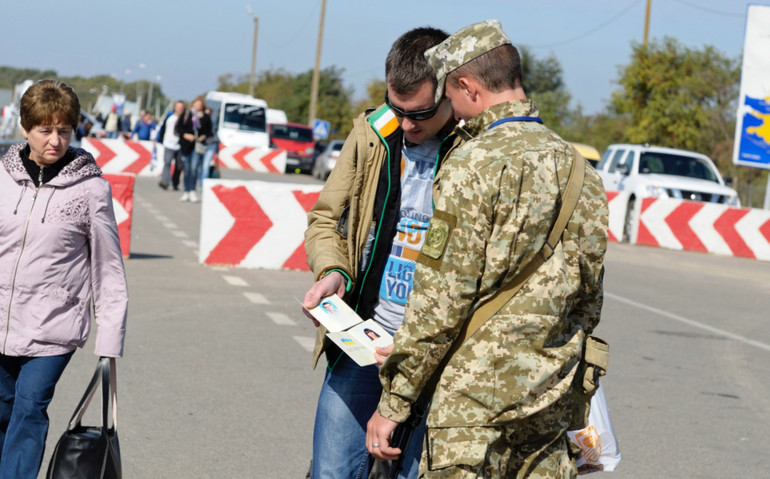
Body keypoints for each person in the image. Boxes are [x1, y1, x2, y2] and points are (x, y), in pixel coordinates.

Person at [366, 20, 609, 477]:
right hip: (548, 405)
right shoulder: (581, 171)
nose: (453, 111)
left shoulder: (472, 164)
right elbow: (588, 301)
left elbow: (440, 300)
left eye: (451, 96)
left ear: (468, 86)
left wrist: (394, 403)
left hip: (472, 410)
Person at [302, 27, 462, 479]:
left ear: (451, 90)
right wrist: (332, 272)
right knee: (332, 472)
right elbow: (325, 218)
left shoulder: (476, 153)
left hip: (433, 359)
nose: (407, 125)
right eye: (398, 109)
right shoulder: (374, 133)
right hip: (361, 343)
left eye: (422, 114)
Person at [0, 80, 128, 479]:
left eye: (64, 130)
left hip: (55, 324)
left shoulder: (91, 189)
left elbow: (108, 267)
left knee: (30, 407)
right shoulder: (2, 179)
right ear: (25, 128)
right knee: (2, 411)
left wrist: (109, 340)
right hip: (1, 317)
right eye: (45, 130)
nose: (55, 140)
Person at [175, 97, 211, 203]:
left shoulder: (205, 117)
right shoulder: (187, 115)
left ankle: (192, 190)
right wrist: (185, 135)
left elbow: (209, 131)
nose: (198, 107)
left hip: (197, 146)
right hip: (186, 146)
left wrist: (203, 137)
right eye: (196, 104)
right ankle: (186, 190)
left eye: (200, 105)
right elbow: (178, 129)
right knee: (186, 170)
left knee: (194, 168)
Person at [156, 100, 185, 190]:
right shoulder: (169, 117)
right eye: (178, 107)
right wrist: (159, 139)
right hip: (168, 144)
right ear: (175, 107)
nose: (179, 109)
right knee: (167, 163)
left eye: (181, 107)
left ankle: (175, 183)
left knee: (179, 166)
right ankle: (165, 181)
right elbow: (163, 128)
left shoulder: (185, 119)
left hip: (179, 146)